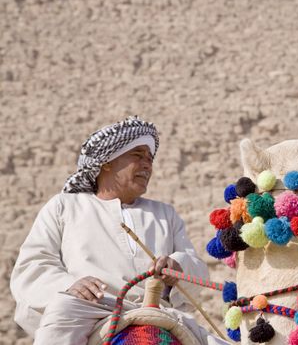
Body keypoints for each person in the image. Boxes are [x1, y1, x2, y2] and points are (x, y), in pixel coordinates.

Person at [10, 116, 228, 344]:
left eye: (150, 159)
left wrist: (177, 266)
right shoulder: (65, 206)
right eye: (138, 155)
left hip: (157, 310)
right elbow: (33, 265)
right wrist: (70, 286)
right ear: (107, 161)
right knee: (61, 315)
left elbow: (197, 267)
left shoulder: (165, 213)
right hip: (90, 310)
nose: (148, 165)